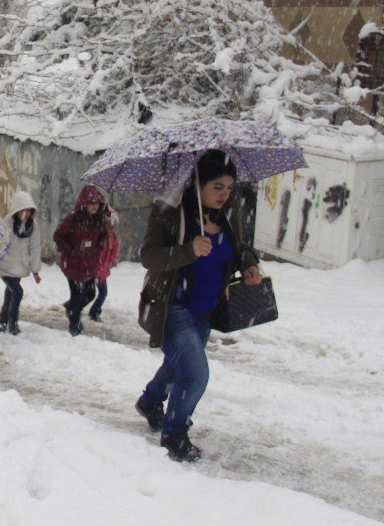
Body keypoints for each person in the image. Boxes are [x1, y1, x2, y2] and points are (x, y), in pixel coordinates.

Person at [134, 150, 261, 462]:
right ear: (197, 183)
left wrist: (248, 263)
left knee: (178, 364)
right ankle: (174, 433)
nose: (224, 194)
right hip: (173, 308)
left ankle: (151, 400)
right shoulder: (171, 211)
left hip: (206, 310)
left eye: (229, 188)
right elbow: (149, 257)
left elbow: (240, 248)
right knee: (194, 374)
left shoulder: (228, 215)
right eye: (217, 187)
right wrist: (187, 250)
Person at [0, 190, 42, 335]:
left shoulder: (33, 226)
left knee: (10, 293)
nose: (25, 214)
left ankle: (2, 323)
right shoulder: (6, 223)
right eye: (22, 211)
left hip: (20, 266)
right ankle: (12, 323)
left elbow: (35, 248)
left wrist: (35, 271)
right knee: (18, 292)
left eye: (28, 211)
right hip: (5, 266)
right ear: (16, 210)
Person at [53, 184, 108, 336]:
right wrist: (71, 250)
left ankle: (71, 309)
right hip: (73, 264)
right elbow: (58, 236)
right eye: (91, 203)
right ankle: (74, 325)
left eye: (97, 203)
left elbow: (104, 235)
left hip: (90, 265)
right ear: (84, 204)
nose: (94, 206)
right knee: (77, 295)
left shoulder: (100, 221)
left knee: (90, 294)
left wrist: (100, 245)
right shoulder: (72, 220)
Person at [89, 206, 121, 322]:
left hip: (103, 270)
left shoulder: (113, 236)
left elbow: (114, 250)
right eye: (108, 224)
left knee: (103, 292)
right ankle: (83, 311)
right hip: (94, 269)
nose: (110, 227)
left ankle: (94, 312)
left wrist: (110, 261)